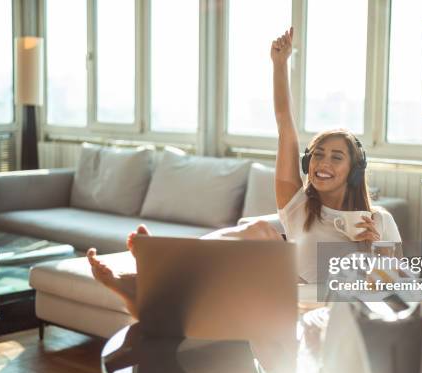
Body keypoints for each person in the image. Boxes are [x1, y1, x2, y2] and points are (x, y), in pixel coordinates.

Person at [271, 27, 401, 283]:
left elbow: (397, 291)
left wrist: (375, 251)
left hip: (352, 315)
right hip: (303, 313)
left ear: (354, 170)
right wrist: (279, 65)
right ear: (308, 162)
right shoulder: (297, 207)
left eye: (337, 157)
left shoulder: (381, 221)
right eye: (318, 154)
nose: (323, 163)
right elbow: (285, 125)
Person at [87, 221, 283, 318]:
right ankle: (149, 275)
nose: (315, 162)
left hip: (300, 262)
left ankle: (147, 276)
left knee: (262, 234)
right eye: (314, 155)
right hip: (289, 247)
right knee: (260, 229)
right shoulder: (302, 204)